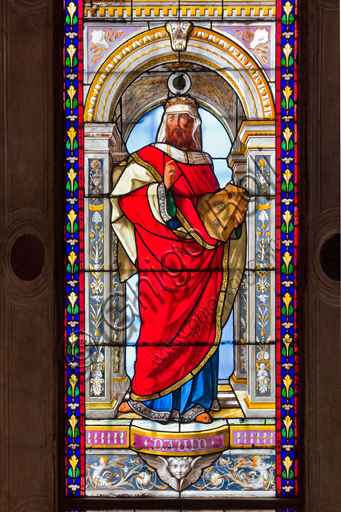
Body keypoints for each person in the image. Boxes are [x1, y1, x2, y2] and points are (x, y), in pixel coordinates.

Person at [110, 96, 246, 424]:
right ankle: (147, 397)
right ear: (165, 124)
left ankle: (197, 403)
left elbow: (210, 219)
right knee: (157, 328)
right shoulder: (148, 159)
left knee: (201, 326)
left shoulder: (203, 166)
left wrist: (229, 215)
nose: (179, 127)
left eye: (187, 121)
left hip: (202, 270)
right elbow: (126, 202)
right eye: (174, 120)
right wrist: (163, 189)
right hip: (160, 264)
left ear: (194, 128)